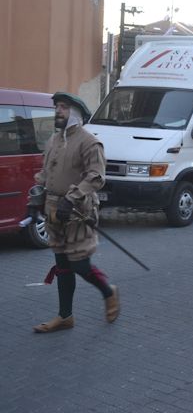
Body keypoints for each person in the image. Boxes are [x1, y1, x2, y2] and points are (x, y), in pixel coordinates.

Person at [32, 92, 119, 333]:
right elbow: (45, 174)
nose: (58, 111)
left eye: (63, 107)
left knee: (80, 265)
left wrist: (71, 198)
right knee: (62, 265)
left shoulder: (89, 142)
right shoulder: (53, 141)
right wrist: (37, 194)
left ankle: (108, 291)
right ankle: (65, 316)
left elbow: (96, 177)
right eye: (57, 107)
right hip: (53, 211)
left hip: (78, 211)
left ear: (76, 113)